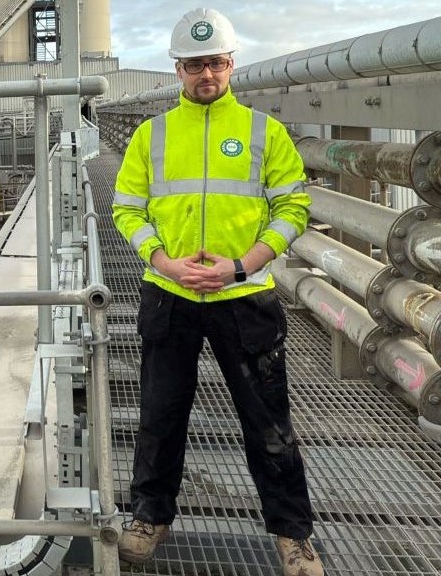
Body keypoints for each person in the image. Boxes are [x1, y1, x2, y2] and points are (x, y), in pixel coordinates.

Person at [111, 8, 324, 576]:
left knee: (269, 423)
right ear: (178, 70)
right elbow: (127, 208)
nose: (207, 73)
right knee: (160, 415)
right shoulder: (150, 135)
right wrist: (162, 260)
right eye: (194, 64)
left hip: (244, 297)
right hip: (169, 294)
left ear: (231, 64)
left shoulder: (264, 132)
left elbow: (293, 208)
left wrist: (239, 266)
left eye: (216, 62)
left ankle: (293, 536)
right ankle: (149, 516)